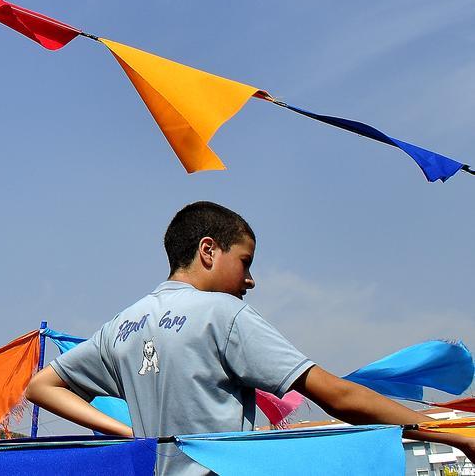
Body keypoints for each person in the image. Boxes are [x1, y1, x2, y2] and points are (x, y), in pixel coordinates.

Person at [25, 201, 475, 474]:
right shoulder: (223, 314)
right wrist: (451, 431)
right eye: (245, 261)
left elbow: (40, 386)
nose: (251, 279)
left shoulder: (121, 326)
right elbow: (336, 395)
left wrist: (131, 433)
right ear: (208, 250)